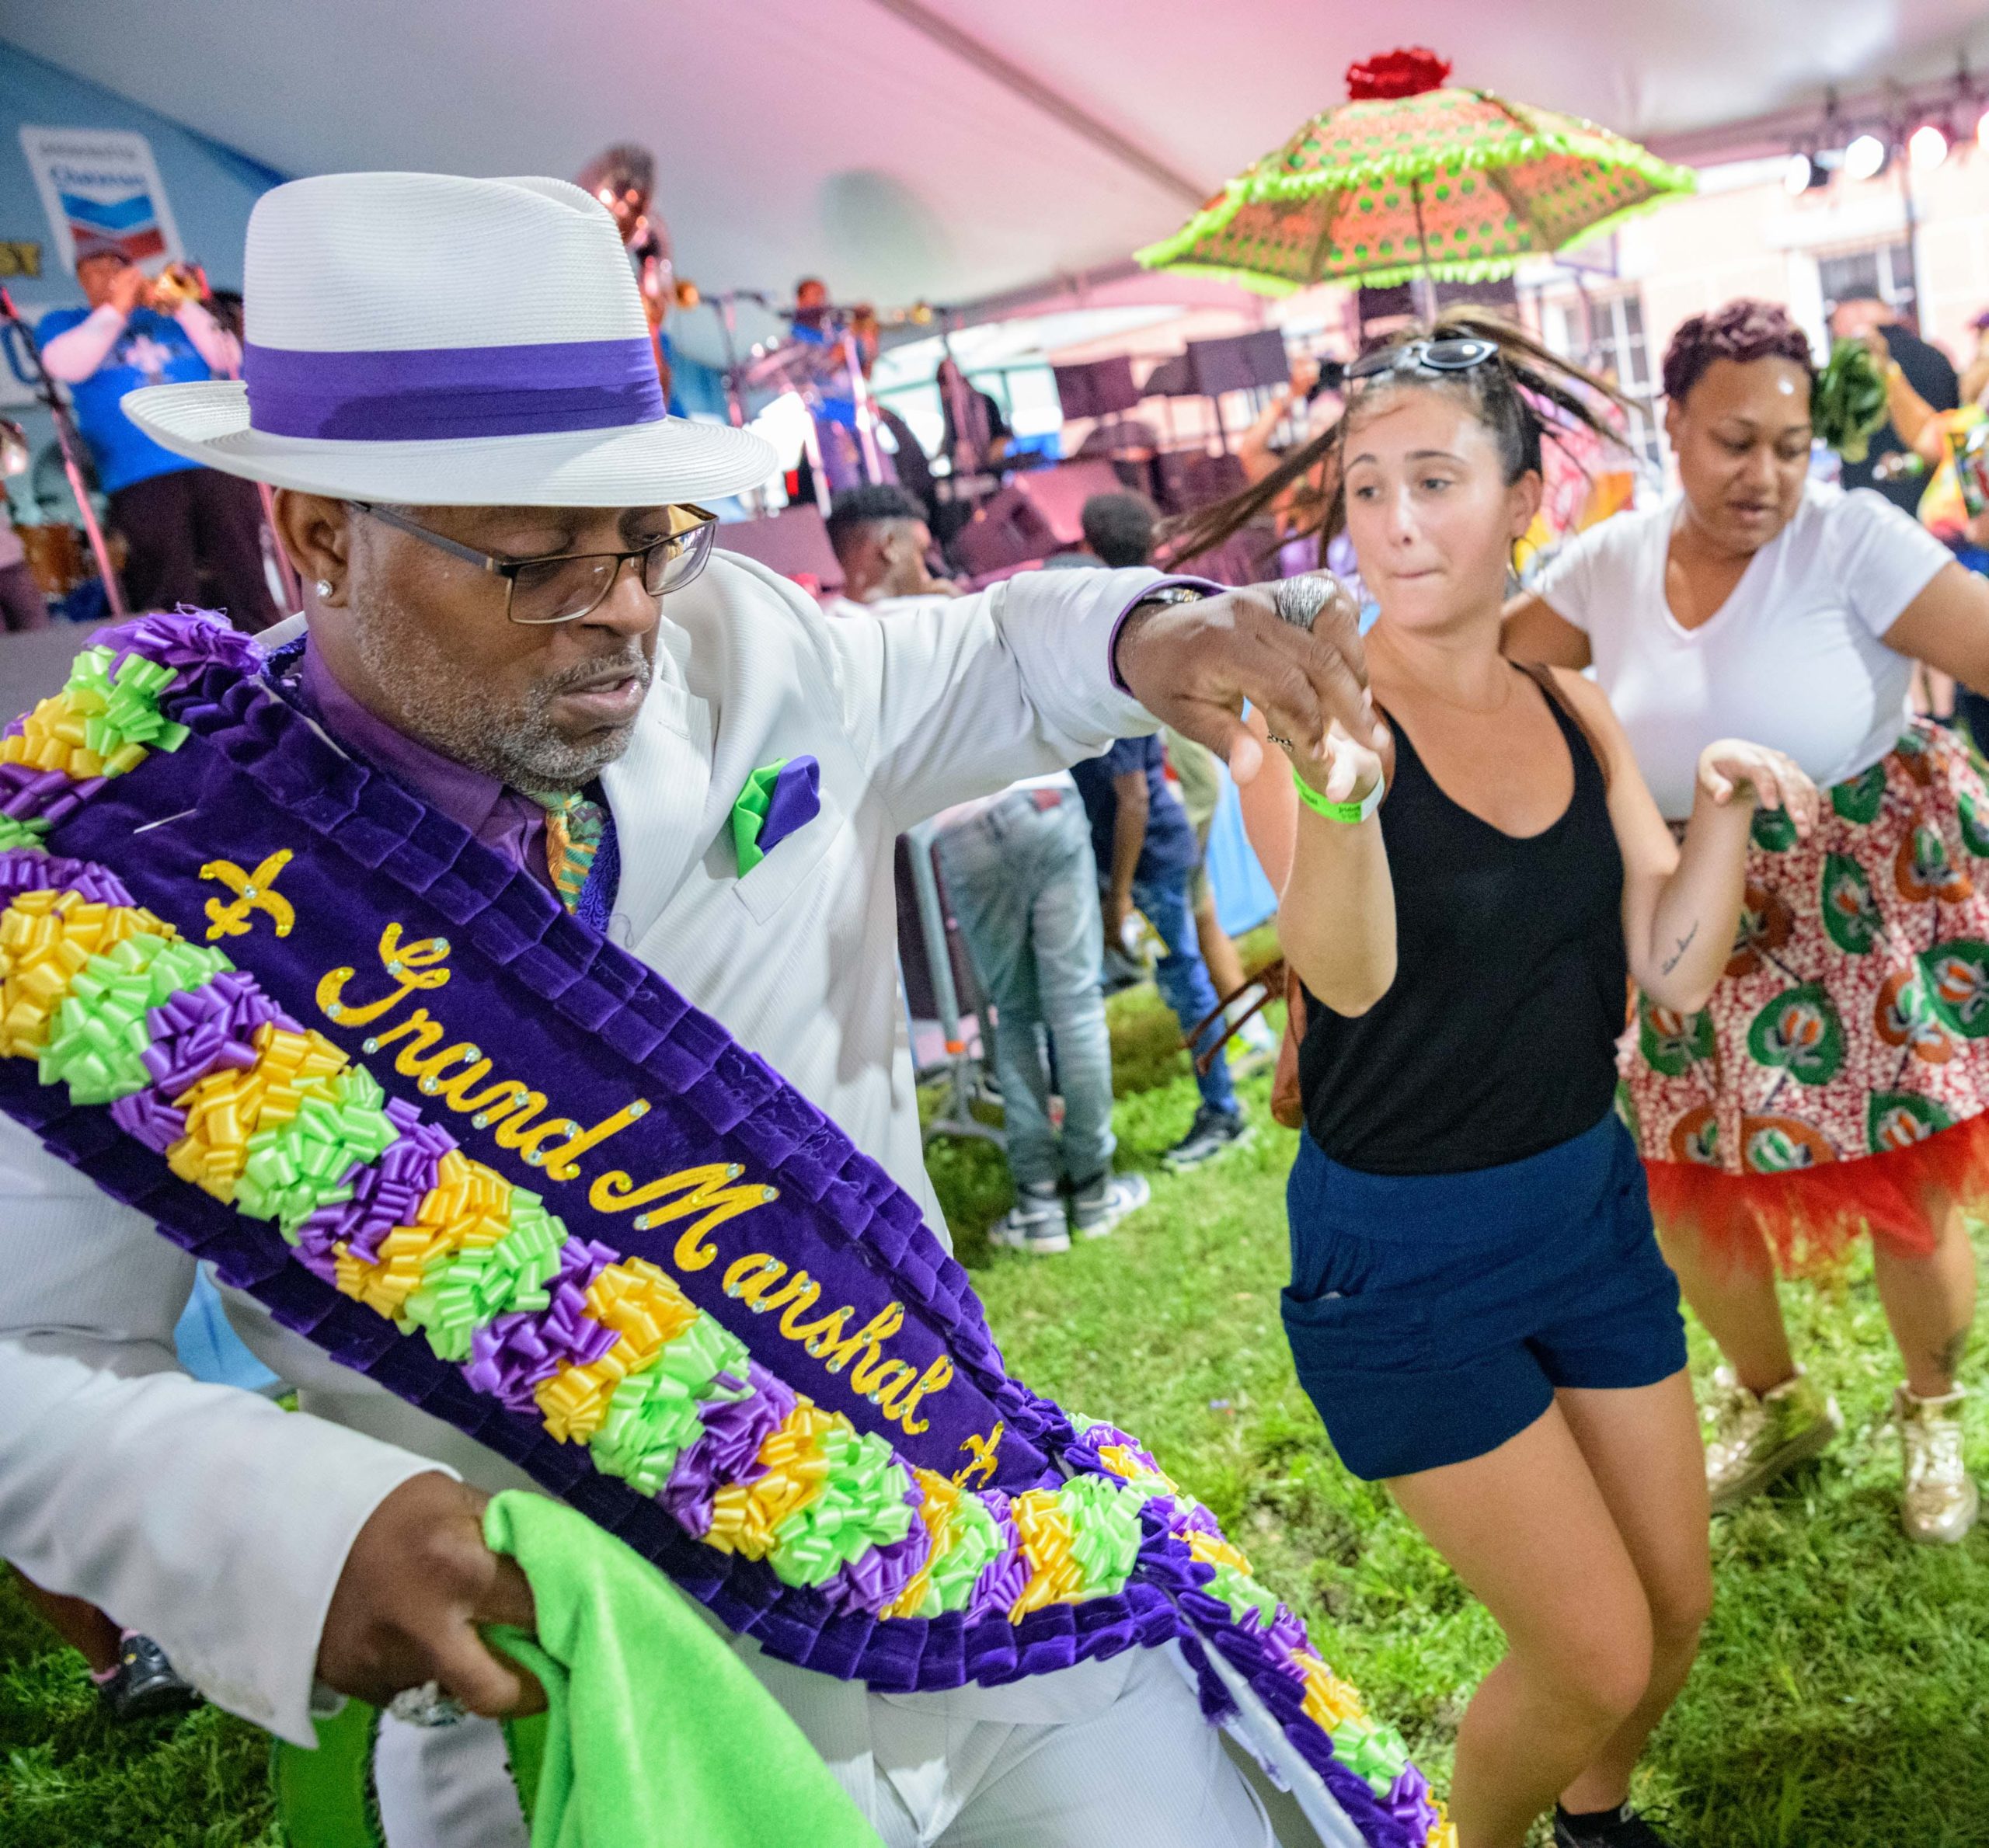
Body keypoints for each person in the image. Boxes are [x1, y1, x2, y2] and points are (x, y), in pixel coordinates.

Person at [0, 171, 1395, 1848]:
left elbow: (989, 661)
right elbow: (33, 1349)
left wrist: (1156, 631)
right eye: (534, 563)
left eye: (649, 537)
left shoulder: (746, 649)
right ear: (312, 535)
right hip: (588, 1694)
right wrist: (305, 1524)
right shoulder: (139, 881)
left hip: (967, 1578)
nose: (628, 611)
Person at [1230, 315, 1814, 1848]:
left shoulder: (1568, 706)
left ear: (1523, 503)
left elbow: (1670, 965)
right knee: (1589, 1648)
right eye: (1365, 487)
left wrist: (1722, 811)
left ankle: (1590, 1822)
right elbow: (1345, 978)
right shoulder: (1310, 715)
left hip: (1584, 1204)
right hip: (1403, 1258)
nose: (1396, 521)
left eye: (1433, 477)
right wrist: (1338, 792)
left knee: (1670, 1611)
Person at [1506, 298, 1989, 1543]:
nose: (1765, 474)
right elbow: (1480, 673)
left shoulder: (1855, 539)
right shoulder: (1610, 562)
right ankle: (1776, 1400)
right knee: (1689, 1180)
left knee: (1904, 1178)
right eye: (1733, 441)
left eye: (1787, 443)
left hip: (1859, 900)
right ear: (1670, 425)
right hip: (1691, 910)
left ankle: (1933, 1408)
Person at [933, 771, 1150, 1254]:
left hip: (962, 823)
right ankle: (1093, 1192)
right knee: (1076, 1011)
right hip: (1043, 799)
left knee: (1014, 1019)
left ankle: (1040, 1205)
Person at [37, 237, 279, 631]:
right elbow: (67, 365)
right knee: (169, 590)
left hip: (214, 457)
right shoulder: (64, 323)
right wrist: (117, 309)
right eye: (96, 269)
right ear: (81, 279)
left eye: (117, 266)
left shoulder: (171, 318)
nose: (110, 275)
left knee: (244, 575)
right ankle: (186, 678)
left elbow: (228, 357)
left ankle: (268, 661)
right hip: (139, 476)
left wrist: (180, 303)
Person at [1071, 724, 1251, 1170]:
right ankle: (1223, 1103)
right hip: (1151, 859)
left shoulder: (1117, 712)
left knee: (1185, 984)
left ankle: (1224, 1111)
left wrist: (1121, 893)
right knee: (1182, 980)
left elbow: (1134, 798)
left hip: (1152, 863)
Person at [1827, 290, 1958, 518]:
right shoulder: (1934, 356)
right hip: (1940, 506)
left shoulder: (1850, 369)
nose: (1834, 332)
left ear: (1856, 311)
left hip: (1876, 507)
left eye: (1833, 321)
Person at [824, 482, 956, 609]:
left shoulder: (824, 623)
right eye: (921, 554)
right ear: (889, 545)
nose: (927, 577)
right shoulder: (933, 611)